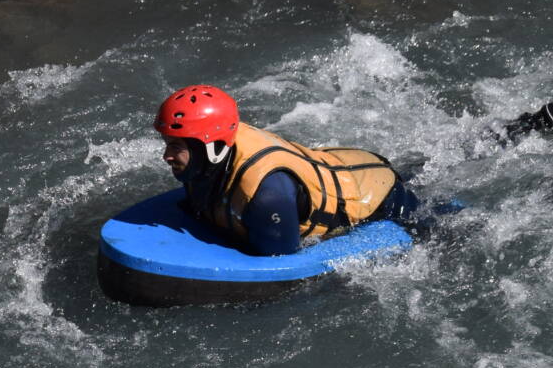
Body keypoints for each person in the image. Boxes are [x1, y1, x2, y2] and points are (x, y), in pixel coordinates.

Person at [154, 84, 423, 256]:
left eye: (176, 147)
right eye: (167, 144)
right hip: (341, 165)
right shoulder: (211, 156)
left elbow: (282, 267)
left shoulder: (265, 195)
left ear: (210, 146)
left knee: (438, 234)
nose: (166, 156)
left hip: (377, 195)